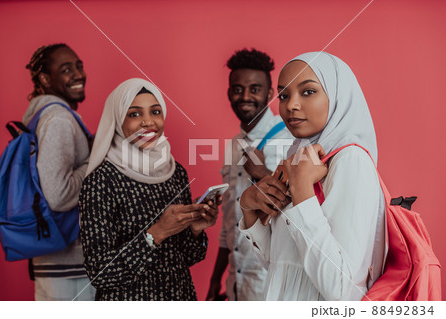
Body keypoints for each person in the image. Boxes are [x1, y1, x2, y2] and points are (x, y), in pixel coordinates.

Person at [238, 52, 386, 300]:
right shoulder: (298, 158)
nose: (291, 105)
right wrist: (249, 210)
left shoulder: (350, 161)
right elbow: (281, 265)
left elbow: (342, 289)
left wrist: (303, 189)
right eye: (283, 95)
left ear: (338, 95)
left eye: (308, 91)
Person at [79, 78, 219, 301]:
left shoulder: (175, 172)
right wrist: (157, 233)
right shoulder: (101, 180)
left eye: (155, 112)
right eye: (134, 114)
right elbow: (100, 273)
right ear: (117, 119)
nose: (148, 122)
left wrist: (195, 229)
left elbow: (188, 257)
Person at [206, 49, 293, 301]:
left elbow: (301, 210)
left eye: (255, 89)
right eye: (238, 89)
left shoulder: (289, 139)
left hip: (272, 282)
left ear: (268, 94)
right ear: (228, 92)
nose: (245, 96)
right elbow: (229, 220)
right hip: (237, 281)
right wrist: (216, 279)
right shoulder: (234, 145)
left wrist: (261, 174)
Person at [23, 43, 95, 300]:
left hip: (57, 262)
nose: (78, 74)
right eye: (66, 69)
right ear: (45, 78)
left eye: (79, 66)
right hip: (68, 267)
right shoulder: (58, 119)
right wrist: (95, 160)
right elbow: (58, 195)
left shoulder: (47, 116)